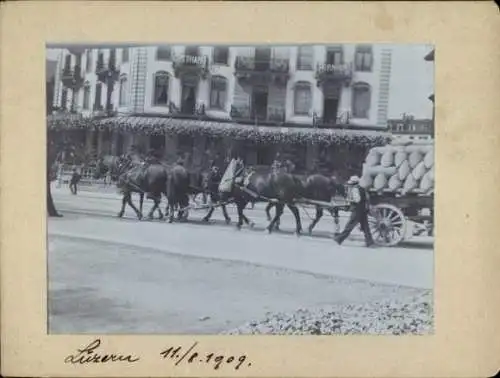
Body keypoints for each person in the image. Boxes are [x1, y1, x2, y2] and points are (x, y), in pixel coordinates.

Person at [334, 175, 374, 247]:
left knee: (350, 225)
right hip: (363, 210)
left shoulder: (355, 189)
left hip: (357, 210)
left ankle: (339, 239)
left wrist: (350, 200)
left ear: (353, 183)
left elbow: (357, 200)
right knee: (365, 227)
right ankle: (369, 242)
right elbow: (367, 197)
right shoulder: (362, 188)